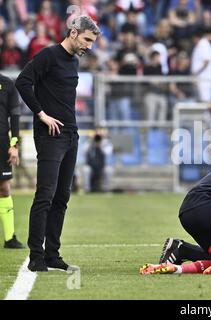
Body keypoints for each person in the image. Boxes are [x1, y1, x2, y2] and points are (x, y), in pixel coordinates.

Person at [15, 15, 100, 272]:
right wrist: (41, 115)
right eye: (87, 39)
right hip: (50, 136)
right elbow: (23, 82)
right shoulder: (48, 55)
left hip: (71, 135)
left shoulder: (73, 62)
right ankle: (36, 257)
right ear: (73, 33)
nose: (89, 46)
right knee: (45, 196)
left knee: (62, 197)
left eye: (93, 42)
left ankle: (53, 255)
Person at [0, 72, 25, 249]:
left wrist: (14, 144)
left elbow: (15, 115)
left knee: (4, 187)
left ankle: (9, 238)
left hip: (1, 142)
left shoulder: (7, 84)